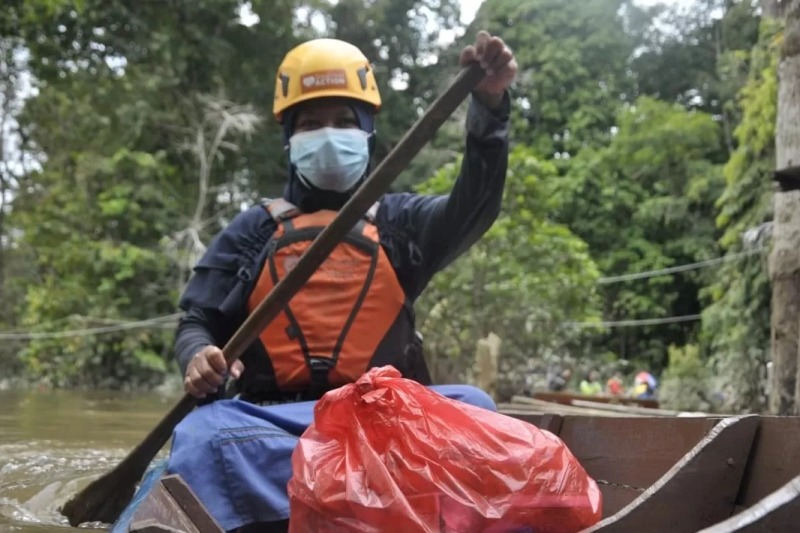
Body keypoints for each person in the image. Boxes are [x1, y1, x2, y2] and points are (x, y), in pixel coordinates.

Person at [168, 31, 517, 532]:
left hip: (385, 423)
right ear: (290, 138)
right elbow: (197, 322)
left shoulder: (401, 224)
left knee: (477, 407)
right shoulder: (252, 232)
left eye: (344, 122)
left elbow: (476, 205)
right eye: (311, 124)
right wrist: (198, 355)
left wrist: (489, 108)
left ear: (367, 132)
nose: (328, 135)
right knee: (201, 433)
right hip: (276, 424)